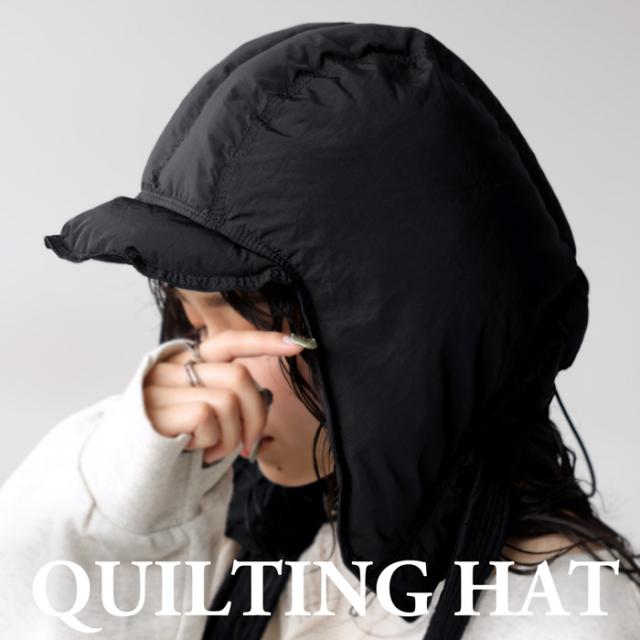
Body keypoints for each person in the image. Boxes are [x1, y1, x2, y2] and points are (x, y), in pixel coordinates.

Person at [1, 20, 639, 640]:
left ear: (391, 337)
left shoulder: (568, 619)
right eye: (193, 327)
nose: (211, 369)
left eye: (246, 326)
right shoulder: (236, 531)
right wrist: (122, 494)